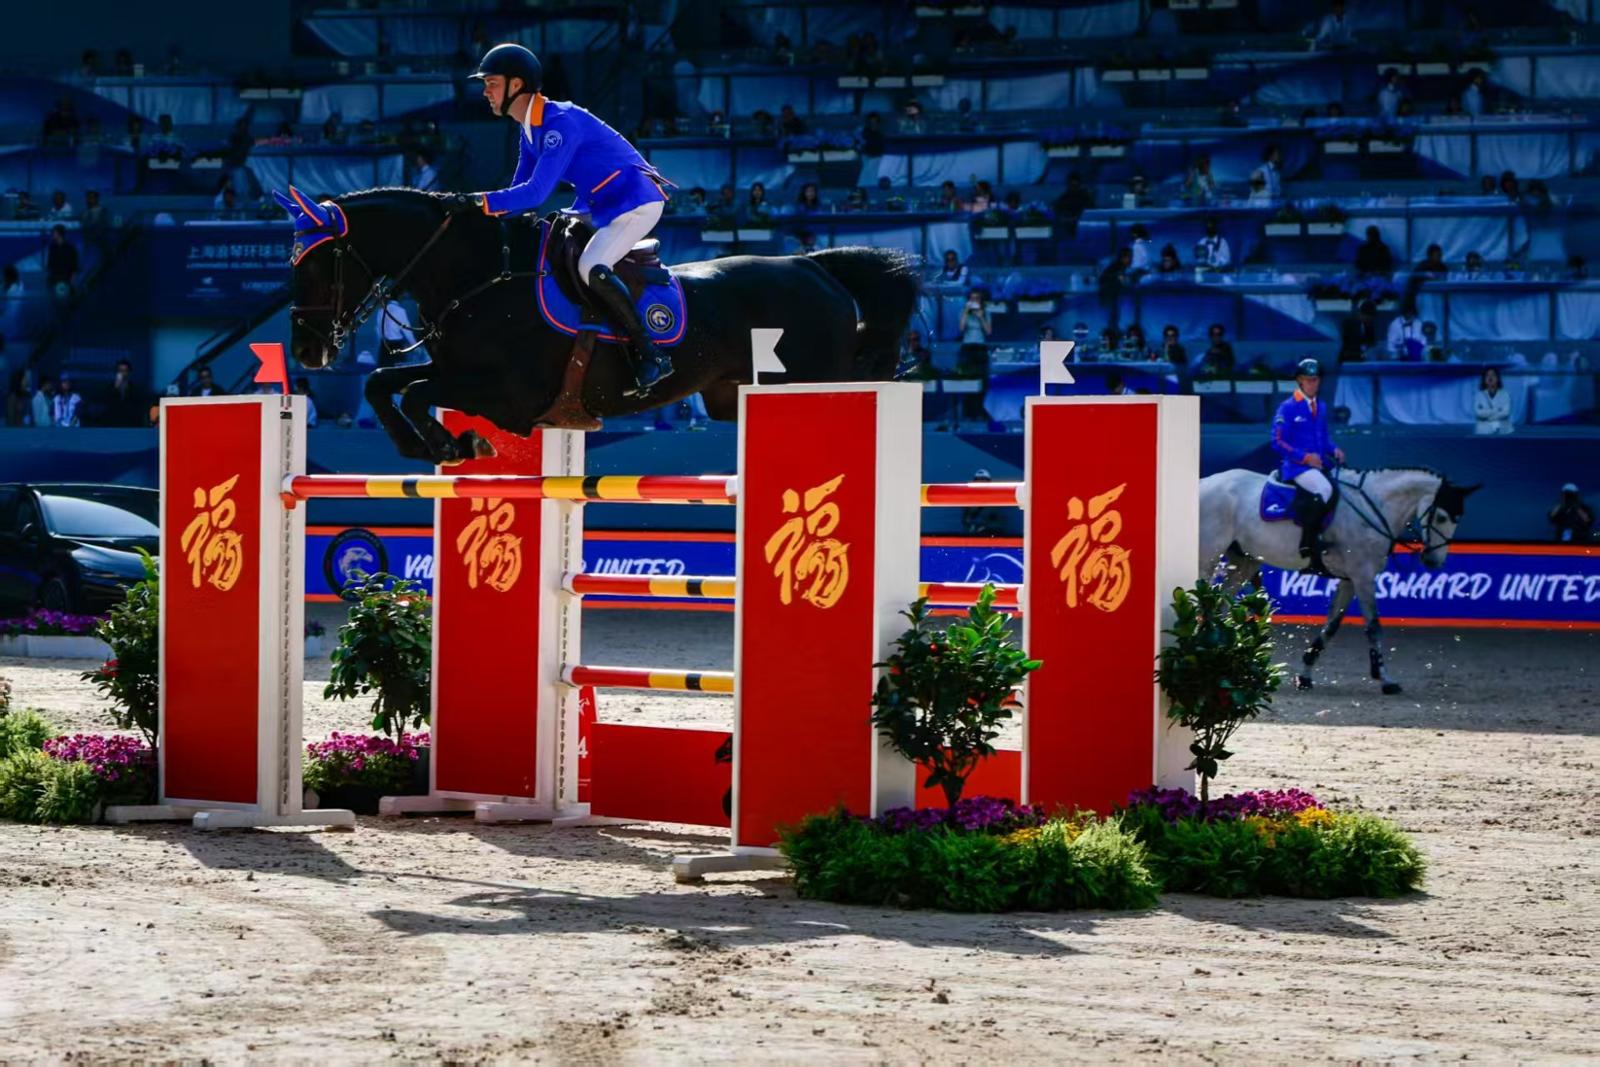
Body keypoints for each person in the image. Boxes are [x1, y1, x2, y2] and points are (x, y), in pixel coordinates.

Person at [452, 43, 675, 396]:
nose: (485, 92)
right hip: (602, 204)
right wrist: (477, 216)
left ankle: (651, 353)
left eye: (491, 83)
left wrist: (477, 201)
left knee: (591, 266)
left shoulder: (559, 124)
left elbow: (536, 194)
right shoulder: (530, 130)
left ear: (516, 85)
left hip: (634, 203)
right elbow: (517, 195)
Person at [1272, 358, 1345, 565]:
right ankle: (1308, 542)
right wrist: (1304, 458)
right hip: (1297, 467)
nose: (1312, 384)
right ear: (1300, 381)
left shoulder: (1320, 406)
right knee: (1324, 489)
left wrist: (1334, 449)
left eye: (1315, 380)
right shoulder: (1287, 407)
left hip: (1319, 465)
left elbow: (1323, 437)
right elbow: (1277, 441)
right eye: (1308, 380)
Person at [956, 289, 992, 424]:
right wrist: (966, 311)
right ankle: (968, 413)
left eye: (976, 298)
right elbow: (961, 328)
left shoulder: (986, 313)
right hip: (967, 348)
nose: (974, 301)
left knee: (982, 380)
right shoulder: (963, 312)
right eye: (972, 298)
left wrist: (981, 316)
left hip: (980, 347)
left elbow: (988, 331)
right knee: (967, 379)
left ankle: (979, 410)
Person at [100, 359, 147, 427]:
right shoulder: (110, 388)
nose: (122, 373)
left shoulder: (135, 389)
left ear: (129, 372)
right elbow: (107, 404)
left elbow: (139, 407)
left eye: (125, 370)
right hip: (113, 422)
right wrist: (116, 387)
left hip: (130, 423)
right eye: (120, 371)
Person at [1098, 248, 1131, 331]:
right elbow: (1121, 280)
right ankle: (1112, 331)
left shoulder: (1119, 267)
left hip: (1112, 294)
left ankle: (1114, 330)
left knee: (1114, 314)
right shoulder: (1117, 267)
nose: (1130, 260)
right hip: (1108, 294)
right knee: (1112, 315)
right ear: (1123, 258)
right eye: (1128, 257)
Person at [1474, 366, 1512, 435]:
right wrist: (1497, 410)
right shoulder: (1478, 395)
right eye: (1487, 375)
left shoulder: (1505, 394)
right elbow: (1478, 413)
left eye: (1493, 375)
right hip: (1483, 431)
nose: (1490, 378)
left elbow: (1506, 412)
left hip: (1503, 431)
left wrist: (1488, 416)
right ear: (1484, 379)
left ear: (1498, 378)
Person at [46, 225, 79, 298]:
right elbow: (50, 263)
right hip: (55, 278)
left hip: (66, 277)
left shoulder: (70, 248)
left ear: (59, 234)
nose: (53, 235)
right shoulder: (52, 248)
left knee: (65, 297)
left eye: (54, 233)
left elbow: (74, 264)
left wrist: (72, 278)